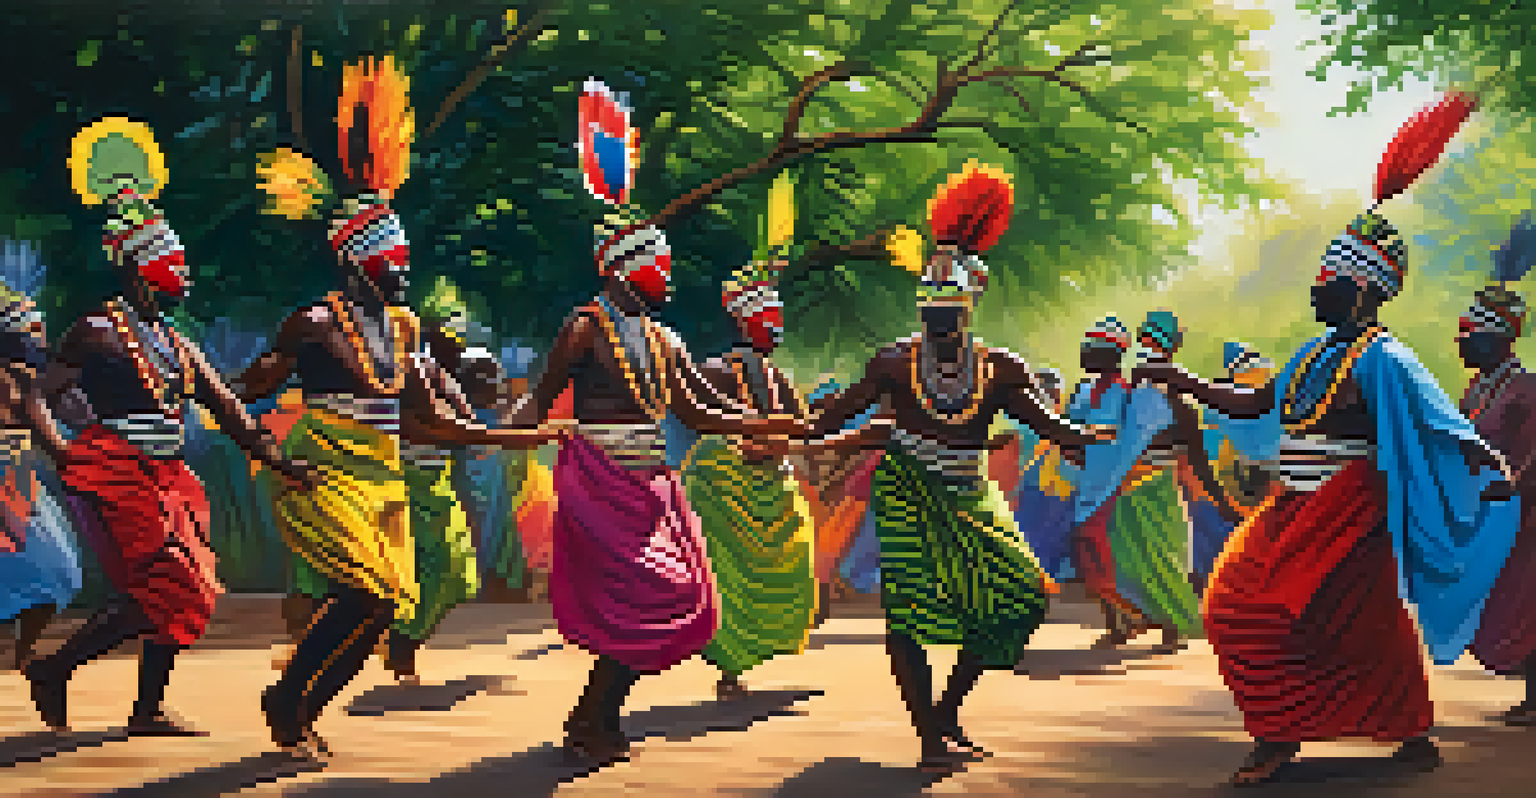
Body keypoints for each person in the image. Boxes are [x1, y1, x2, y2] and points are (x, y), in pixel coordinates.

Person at [1132, 91, 1517, 785]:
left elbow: (1439, 421)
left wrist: (1487, 462)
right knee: (1302, 612)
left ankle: (1295, 736)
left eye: (1329, 282)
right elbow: (1258, 402)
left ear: (1364, 291)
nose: (1315, 292)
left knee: (1283, 612)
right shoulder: (1314, 354)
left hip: (1346, 508)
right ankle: (1375, 727)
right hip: (1293, 505)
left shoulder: (1384, 358)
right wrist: (1185, 381)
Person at [238, 56, 565, 761]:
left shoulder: (406, 329)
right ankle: (292, 697)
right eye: (395, 258)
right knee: (362, 597)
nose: (406, 269)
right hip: (324, 467)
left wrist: (512, 434)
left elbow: (424, 419)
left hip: (385, 471)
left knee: (385, 606)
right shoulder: (311, 325)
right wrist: (247, 431)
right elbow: (250, 388)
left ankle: (294, 704)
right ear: (359, 259)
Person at [503, 78, 804, 766]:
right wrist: (504, 440)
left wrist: (770, 429)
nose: (669, 279)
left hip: (653, 485)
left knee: (693, 604)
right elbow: (541, 395)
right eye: (659, 267)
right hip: (597, 477)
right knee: (647, 597)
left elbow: (697, 407)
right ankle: (593, 717)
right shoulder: (584, 327)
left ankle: (594, 715)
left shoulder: (665, 338)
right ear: (626, 270)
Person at [805, 163, 1110, 773]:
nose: (941, 323)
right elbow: (828, 418)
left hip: (970, 493)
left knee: (1023, 596)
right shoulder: (893, 363)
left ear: (971, 306)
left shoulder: (1002, 368)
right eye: (932, 312)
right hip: (906, 488)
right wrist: (778, 428)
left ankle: (946, 710)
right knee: (909, 611)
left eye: (952, 312)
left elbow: (1047, 423)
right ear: (921, 308)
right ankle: (928, 736)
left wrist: (1081, 435)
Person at [24, 116, 319, 737]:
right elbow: (38, 392)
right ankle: (59, 669)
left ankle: (137, 704)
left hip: (169, 476)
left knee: (191, 589)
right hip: (118, 471)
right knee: (172, 581)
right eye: (175, 265)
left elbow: (227, 405)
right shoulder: (97, 331)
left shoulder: (176, 343)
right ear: (140, 268)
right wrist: (63, 452)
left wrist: (279, 459)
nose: (185, 276)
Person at [684, 259, 818, 701]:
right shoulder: (716, 370)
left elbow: (804, 427)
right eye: (766, 317)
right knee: (728, 576)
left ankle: (742, 659)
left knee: (791, 558)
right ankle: (728, 669)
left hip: (771, 485)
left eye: (778, 317)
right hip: (723, 483)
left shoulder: (779, 377)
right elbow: (696, 416)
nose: (774, 326)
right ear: (744, 321)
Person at [1458, 222, 1536, 725]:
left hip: (1526, 514)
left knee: (1527, 602)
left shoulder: (1526, 390)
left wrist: (1515, 486)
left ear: (1499, 340)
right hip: (1490, 515)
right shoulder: (1474, 392)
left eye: (1473, 336)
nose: (1463, 344)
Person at [0, 281, 81, 672]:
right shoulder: (22, 379)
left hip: (18, 481)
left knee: (51, 571)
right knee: (50, 571)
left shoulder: (28, 379)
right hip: (14, 485)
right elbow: (53, 439)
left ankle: (24, 655)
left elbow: (54, 430)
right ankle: (22, 656)